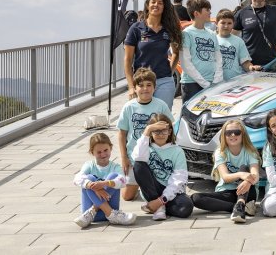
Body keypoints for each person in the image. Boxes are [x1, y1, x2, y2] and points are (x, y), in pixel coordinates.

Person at [117, 67, 174, 202]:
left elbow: (171, 127)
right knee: (127, 197)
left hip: (156, 155)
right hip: (134, 156)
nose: (145, 89)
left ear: (154, 87)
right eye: (140, 85)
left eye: (149, 85)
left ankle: (146, 189)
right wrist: (124, 157)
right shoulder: (129, 107)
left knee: (157, 188)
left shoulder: (161, 105)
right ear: (135, 88)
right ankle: (131, 183)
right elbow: (122, 133)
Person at [191, 119, 260, 223]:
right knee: (195, 198)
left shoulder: (250, 151)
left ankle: (241, 203)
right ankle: (239, 208)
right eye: (228, 133)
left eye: (237, 132)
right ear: (224, 135)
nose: (233, 135)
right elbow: (225, 177)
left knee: (244, 167)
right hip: (227, 192)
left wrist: (248, 181)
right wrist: (241, 174)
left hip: (248, 190)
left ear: (243, 134)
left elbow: (255, 175)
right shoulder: (221, 152)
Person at [124, 0, 181, 109]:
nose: (156, 5)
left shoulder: (169, 28)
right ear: (147, 5)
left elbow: (176, 53)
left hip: (164, 81)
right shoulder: (136, 28)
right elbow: (128, 60)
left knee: (162, 118)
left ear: (164, 7)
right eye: (153, 2)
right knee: (143, 117)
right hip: (142, 81)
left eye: (160, 3)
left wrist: (169, 72)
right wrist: (131, 87)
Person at [131, 113, 193, 220]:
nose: (160, 134)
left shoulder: (177, 151)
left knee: (186, 208)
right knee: (138, 165)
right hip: (152, 189)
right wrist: (147, 130)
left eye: (164, 130)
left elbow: (179, 179)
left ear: (169, 131)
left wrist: (162, 200)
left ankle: (155, 206)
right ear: (151, 133)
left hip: (170, 191)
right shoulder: (147, 147)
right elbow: (137, 158)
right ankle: (159, 208)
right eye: (156, 130)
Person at [73, 133, 135, 228]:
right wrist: (92, 185)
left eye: (105, 150)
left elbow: (123, 181)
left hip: (109, 212)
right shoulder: (89, 165)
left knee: (114, 176)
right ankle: (105, 213)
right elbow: (77, 178)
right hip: (89, 215)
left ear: (110, 148)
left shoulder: (115, 166)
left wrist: (106, 183)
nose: (103, 154)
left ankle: (98, 210)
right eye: (99, 152)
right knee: (89, 178)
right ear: (92, 152)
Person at [179, 0, 223, 103]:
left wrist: (217, 79)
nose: (210, 12)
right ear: (196, 13)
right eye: (207, 10)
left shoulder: (212, 34)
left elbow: (218, 57)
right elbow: (185, 62)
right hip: (191, 84)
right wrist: (204, 83)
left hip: (212, 83)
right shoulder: (186, 34)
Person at [215, 9, 261, 81]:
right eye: (223, 23)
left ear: (233, 24)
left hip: (235, 82)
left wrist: (251, 68)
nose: (226, 26)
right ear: (216, 23)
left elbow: (245, 63)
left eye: (229, 23)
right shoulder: (212, 40)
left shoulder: (239, 41)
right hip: (216, 83)